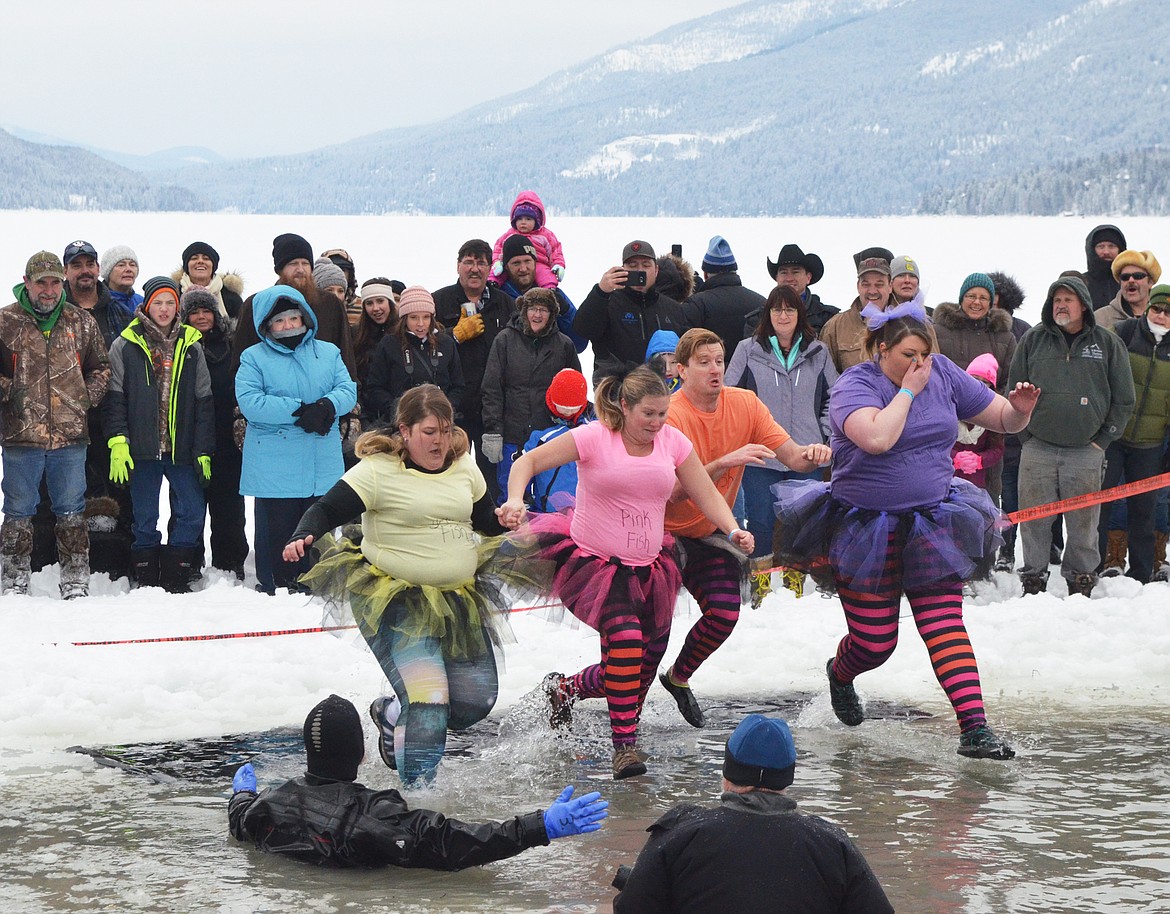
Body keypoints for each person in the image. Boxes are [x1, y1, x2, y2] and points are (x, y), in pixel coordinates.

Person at [773, 298, 1039, 759]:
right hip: (864, 526)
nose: (919, 364)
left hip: (933, 519)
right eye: (908, 356)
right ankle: (841, 673)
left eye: (924, 354)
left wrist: (1019, 410)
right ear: (879, 350)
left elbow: (1000, 419)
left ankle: (974, 730)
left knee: (944, 625)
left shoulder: (943, 374)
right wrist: (909, 392)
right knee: (876, 643)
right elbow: (876, 438)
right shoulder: (855, 384)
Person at [497, 366, 755, 779]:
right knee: (627, 643)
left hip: (651, 570)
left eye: (662, 414)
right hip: (592, 565)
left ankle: (564, 689)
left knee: (638, 666)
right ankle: (625, 749)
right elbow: (526, 463)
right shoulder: (594, 437)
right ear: (624, 406)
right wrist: (513, 500)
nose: (656, 424)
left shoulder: (672, 442)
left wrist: (734, 529)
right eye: (648, 415)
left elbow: (704, 492)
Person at [282, 386, 518, 783]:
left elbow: (483, 521)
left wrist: (504, 519)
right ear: (404, 432)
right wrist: (301, 534)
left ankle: (391, 713)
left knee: (476, 701)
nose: (439, 440)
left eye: (445, 430)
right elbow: (326, 508)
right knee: (428, 700)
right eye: (429, 431)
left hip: (456, 598)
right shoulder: (377, 471)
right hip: (394, 597)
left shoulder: (464, 467)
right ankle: (419, 799)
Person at [658, 328, 831, 727]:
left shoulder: (746, 404)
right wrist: (724, 461)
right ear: (681, 370)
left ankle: (678, 678)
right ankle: (613, 706)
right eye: (703, 363)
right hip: (660, 534)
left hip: (708, 533)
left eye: (719, 360)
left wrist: (813, 453)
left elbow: (793, 457)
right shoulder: (671, 414)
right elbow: (670, 494)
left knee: (723, 612)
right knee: (650, 634)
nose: (715, 369)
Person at [229, 694, 607, 869]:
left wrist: (242, 792)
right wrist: (536, 826)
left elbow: (240, 817)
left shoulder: (267, 804)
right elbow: (449, 842)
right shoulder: (369, 815)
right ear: (362, 756)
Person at [613, 713, 893, 914]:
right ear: (787, 779)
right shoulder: (831, 842)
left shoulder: (681, 833)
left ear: (727, 772)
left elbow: (631, 908)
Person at [1007, 273, 1135, 597]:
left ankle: (1080, 579)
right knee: (1034, 521)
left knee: (1083, 523)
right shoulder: (1032, 340)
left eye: (1068, 300)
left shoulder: (1107, 343)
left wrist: (1102, 441)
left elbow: (1123, 399)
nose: (1061, 305)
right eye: (1056, 300)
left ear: (1084, 305)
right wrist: (1026, 438)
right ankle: (1033, 578)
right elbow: (1012, 390)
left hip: (1085, 450)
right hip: (1037, 448)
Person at [0, 252, 110, 598]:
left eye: (54, 282)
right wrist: (9, 391)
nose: (48, 290)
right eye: (41, 283)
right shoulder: (5, 322)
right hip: (21, 434)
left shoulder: (80, 321)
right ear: (27, 282)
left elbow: (101, 367)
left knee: (71, 508)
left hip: (70, 436)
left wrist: (83, 399)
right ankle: (13, 577)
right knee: (18, 509)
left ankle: (76, 576)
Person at [237, 286, 357, 596]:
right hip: (275, 464)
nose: (289, 325)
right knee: (277, 527)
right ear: (267, 325)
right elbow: (251, 402)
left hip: (320, 460)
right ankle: (277, 582)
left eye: (294, 317)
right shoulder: (253, 358)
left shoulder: (328, 352)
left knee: (319, 524)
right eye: (280, 321)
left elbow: (347, 390)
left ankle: (319, 581)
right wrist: (298, 411)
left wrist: (326, 407)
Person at [727, 285, 838, 605]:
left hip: (806, 454)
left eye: (790, 309)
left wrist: (824, 434)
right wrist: (743, 437)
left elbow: (835, 396)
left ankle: (797, 586)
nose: (783, 315)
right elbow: (730, 395)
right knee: (760, 522)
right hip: (761, 456)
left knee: (803, 524)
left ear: (799, 314)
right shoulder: (748, 350)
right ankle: (761, 587)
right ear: (768, 314)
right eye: (777, 309)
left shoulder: (818, 352)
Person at [103, 277, 214, 592]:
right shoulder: (125, 344)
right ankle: (147, 574)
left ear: (177, 306)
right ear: (146, 305)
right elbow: (115, 399)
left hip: (181, 450)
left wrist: (203, 449)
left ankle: (176, 571)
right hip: (142, 449)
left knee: (192, 511)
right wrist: (118, 442)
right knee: (144, 516)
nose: (164, 309)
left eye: (170, 302)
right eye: (158, 303)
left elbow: (204, 401)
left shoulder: (191, 344)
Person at [1097, 284, 1170, 583]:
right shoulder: (1123, 332)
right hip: (1113, 438)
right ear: (1148, 308)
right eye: (1157, 309)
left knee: (1144, 510)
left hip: (1151, 444)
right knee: (1100, 506)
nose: (1162, 315)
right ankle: (1095, 565)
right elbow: (1101, 377)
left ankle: (1141, 571)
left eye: (1168, 311)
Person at [432, 239, 515, 500]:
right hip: (452, 405)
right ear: (458, 266)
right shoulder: (439, 301)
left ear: (490, 268)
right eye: (468, 262)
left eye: (481, 262)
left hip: (493, 408)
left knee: (491, 480)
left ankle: (489, 529)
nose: (474, 268)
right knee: (451, 472)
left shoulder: (505, 304)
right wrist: (453, 336)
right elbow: (424, 350)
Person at [481, 287, 581, 499]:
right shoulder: (504, 340)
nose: (537, 315)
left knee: (549, 495)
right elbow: (492, 389)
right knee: (512, 495)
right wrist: (493, 431)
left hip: (550, 438)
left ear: (552, 314)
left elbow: (576, 391)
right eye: (533, 309)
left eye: (543, 310)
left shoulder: (564, 345)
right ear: (524, 311)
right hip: (512, 435)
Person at [180, 287, 248, 579]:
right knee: (188, 505)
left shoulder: (233, 345)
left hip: (226, 439)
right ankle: (187, 562)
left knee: (229, 507)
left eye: (206, 310)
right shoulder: (178, 347)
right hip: (188, 438)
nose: (201, 316)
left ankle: (230, 563)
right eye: (194, 312)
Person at [933, 272, 1018, 506]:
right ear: (961, 298)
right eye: (971, 295)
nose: (977, 302)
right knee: (941, 491)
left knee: (987, 491)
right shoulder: (939, 332)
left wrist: (993, 408)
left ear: (992, 303)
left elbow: (1011, 378)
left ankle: (988, 539)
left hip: (988, 427)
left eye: (983, 297)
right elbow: (932, 372)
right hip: (948, 421)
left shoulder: (1005, 337)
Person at [233, 233, 356, 380]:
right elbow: (241, 361)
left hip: (326, 396)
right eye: (293, 264)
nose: (300, 269)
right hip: (273, 395)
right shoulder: (256, 305)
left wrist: (352, 395)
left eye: (305, 263)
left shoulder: (330, 304)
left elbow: (346, 355)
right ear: (279, 270)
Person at [574, 240, 688, 385]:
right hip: (617, 393)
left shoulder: (673, 308)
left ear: (656, 270)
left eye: (646, 265)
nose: (639, 270)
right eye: (632, 266)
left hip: (665, 394)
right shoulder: (608, 303)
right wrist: (600, 292)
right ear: (622, 270)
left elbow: (688, 352)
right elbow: (582, 330)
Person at [363, 286, 464, 423]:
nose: (421, 324)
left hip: (440, 420)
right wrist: (397, 408)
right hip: (402, 422)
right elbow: (375, 388)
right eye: (414, 317)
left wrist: (446, 408)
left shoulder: (446, 343)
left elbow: (458, 386)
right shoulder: (389, 343)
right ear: (404, 318)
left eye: (426, 317)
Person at [494, 234, 587, 351]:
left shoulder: (553, 294)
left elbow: (579, 344)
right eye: (516, 263)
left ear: (535, 263)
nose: (523, 268)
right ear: (506, 266)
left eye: (527, 261)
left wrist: (565, 312)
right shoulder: (497, 297)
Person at [520, 369, 594, 513]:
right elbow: (523, 463)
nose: (567, 413)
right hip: (547, 510)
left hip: (588, 512)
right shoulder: (538, 425)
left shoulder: (596, 423)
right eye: (562, 408)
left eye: (572, 409)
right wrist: (524, 500)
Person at [682, 235, 767, 358]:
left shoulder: (696, 304)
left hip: (710, 374)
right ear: (735, 272)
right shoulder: (761, 302)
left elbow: (685, 348)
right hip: (752, 375)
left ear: (705, 274)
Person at [753, 243, 839, 337]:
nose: (789, 278)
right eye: (784, 272)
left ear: (808, 277)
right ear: (776, 278)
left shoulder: (829, 318)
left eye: (795, 272)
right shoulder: (758, 319)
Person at [491, 190, 566, 289]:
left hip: (539, 262)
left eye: (528, 219)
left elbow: (555, 251)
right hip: (511, 262)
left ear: (537, 220)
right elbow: (498, 248)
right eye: (519, 219)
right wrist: (497, 262)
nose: (523, 222)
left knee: (544, 273)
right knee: (500, 272)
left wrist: (558, 264)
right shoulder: (510, 234)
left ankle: (550, 289)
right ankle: (492, 284)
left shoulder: (545, 235)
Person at [951, 353, 1004, 493]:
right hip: (946, 477)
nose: (979, 385)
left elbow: (997, 449)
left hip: (979, 482)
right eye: (975, 379)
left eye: (985, 382)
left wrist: (980, 460)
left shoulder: (994, 415)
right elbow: (936, 442)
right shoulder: (950, 405)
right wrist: (955, 457)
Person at [173, 241, 245, 327]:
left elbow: (242, 329)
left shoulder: (231, 297)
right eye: (194, 258)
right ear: (187, 266)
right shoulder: (175, 294)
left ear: (213, 266)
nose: (200, 261)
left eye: (206, 258)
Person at [1095, 249, 1161, 331]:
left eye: (1138, 276)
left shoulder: (1165, 315)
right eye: (1125, 277)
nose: (1131, 280)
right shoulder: (1101, 318)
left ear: (1150, 282)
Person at [352, 277, 398, 391]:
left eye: (380, 301)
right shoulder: (356, 334)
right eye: (369, 303)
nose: (375, 308)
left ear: (390, 302)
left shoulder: (402, 332)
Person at [99, 244, 142, 337]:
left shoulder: (143, 303)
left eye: (132, 265)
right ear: (108, 271)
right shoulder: (98, 302)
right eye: (121, 265)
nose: (128, 269)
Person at [1083, 224, 1127, 311]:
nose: (1106, 252)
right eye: (1101, 247)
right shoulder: (1082, 282)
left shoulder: (1130, 281)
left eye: (1111, 246)